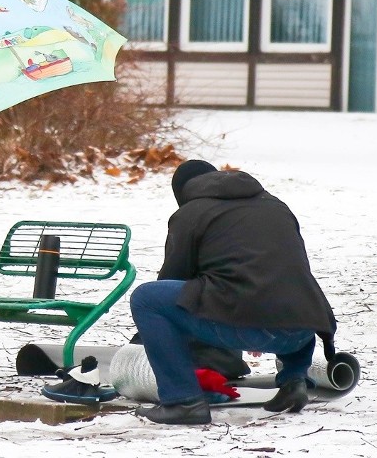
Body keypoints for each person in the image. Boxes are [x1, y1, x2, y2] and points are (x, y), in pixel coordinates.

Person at [130, 160, 337, 425]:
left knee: (147, 299)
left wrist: (147, 339)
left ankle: (183, 401)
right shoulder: (276, 206)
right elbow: (290, 271)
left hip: (245, 325)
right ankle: (294, 380)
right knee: (292, 290)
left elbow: (174, 278)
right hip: (302, 330)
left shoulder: (191, 213)